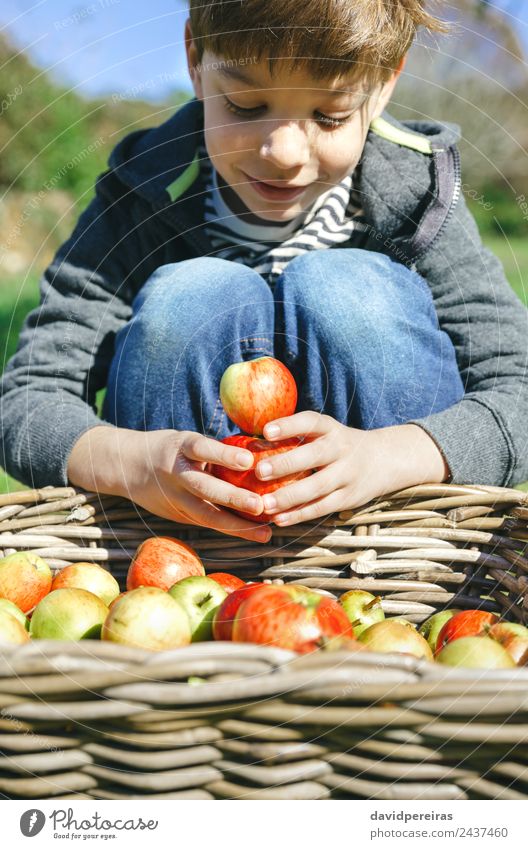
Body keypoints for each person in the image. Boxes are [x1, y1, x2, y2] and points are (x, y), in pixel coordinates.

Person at [2, 1, 527, 549]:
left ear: (384, 85)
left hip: (388, 564)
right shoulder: (142, 193)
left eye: (330, 115)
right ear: (195, 61)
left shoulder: (420, 193)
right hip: (183, 564)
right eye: (246, 104)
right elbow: (30, 399)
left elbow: (519, 385)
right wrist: (127, 463)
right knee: (198, 295)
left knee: (346, 289)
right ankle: (191, 557)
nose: (283, 152)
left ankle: (396, 543)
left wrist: (393, 455)